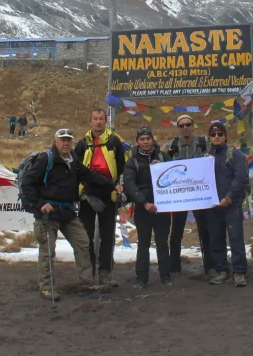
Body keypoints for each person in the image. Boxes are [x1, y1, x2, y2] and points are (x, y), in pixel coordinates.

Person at [21, 128, 114, 300]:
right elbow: (27, 184)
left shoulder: (74, 161)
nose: (65, 143)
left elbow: (90, 176)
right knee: (48, 251)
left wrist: (113, 185)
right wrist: (41, 204)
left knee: (83, 243)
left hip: (68, 212)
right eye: (62, 140)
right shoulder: (45, 159)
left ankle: (86, 283)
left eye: (68, 140)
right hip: (47, 214)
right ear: (55, 141)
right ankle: (46, 288)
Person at [74, 109, 126, 288]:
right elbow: (76, 171)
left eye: (101, 119)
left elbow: (121, 167)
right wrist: (82, 193)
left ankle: (105, 273)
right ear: (90, 121)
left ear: (106, 121)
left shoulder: (114, 141)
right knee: (86, 236)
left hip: (109, 191)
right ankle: (88, 275)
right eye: (95, 119)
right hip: (88, 194)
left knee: (107, 235)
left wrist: (119, 187)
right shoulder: (82, 144)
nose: (98, 122)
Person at [165, 114, 212, 281]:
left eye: (188, 124)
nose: (185, 128)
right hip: (180, 196)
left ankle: (210, 266)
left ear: (193, 126)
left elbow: (214, 159)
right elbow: (165, 167)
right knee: (176, 231)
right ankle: (174, 267)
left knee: (204, 230)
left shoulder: (204, 143)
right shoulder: (172, 145)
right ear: (178, 128)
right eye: (182, 125)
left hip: (200, 194)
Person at [123, 126, 171, 288]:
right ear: (137, 142)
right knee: (143, 243)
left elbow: (174, 177)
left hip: (162, 207)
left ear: (153, 140)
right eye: (142, 139)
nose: (145, 142)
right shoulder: (132, 161)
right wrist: (144, 202)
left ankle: (166, 276)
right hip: (143, 208)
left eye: (148, 138)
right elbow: (130, 185)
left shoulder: (164, 157)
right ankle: (141, 278)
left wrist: (161, 169)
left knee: (163, 243)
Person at [205, 122, 248, 287]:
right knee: (216, 239)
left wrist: (229, 197)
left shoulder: (234, 154)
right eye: (213, 134)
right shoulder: (206, 156)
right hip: (213, 206)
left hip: (232, 204)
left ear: (225, 136)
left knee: (236, 238)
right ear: (209, 137)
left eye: (220, 134)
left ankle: (239, 271)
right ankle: (222, 269)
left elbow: (240, 177)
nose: (216, 137)